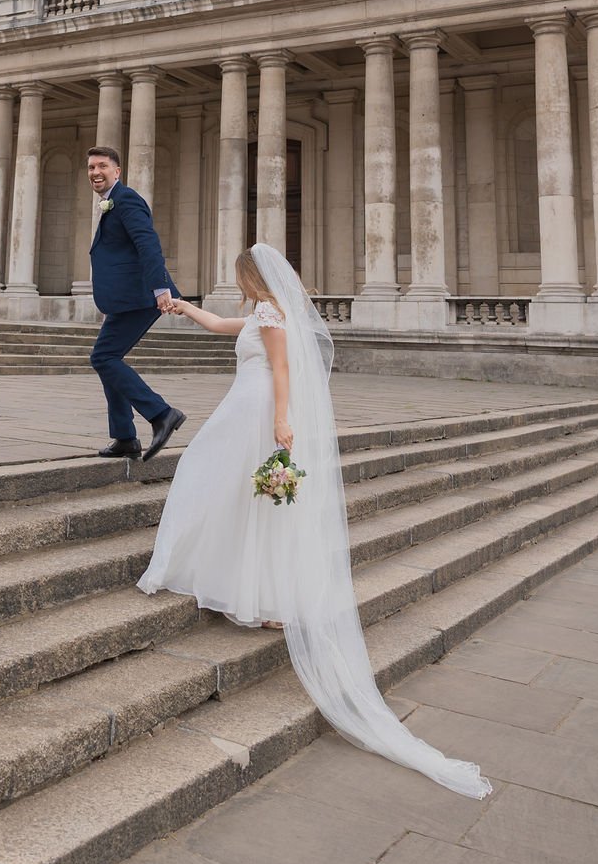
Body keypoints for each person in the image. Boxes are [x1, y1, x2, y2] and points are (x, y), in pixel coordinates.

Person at [138, 243, 492, 800]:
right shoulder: (260, 313)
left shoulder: (274, 315)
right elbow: (223, 325)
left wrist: (281, 421)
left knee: (221, 478)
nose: (238, 288)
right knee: (238, 492)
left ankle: (259, 595)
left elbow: (281, 369)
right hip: (244, 405)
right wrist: (184, 307)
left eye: (240, 279)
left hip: (258, 409)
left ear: (252, 278)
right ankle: (256, 593)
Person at [87, 145, 185, 461]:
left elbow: (149, 245)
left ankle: (161, 414)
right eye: (91, 168)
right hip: (127, 298)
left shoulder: (127, 199)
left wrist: (160, 290)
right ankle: (125, 437)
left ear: (117, 171)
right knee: (107, 357)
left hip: (141, 296)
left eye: (102, 166)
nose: (96, 172)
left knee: (104, 357)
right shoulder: (111, 203)